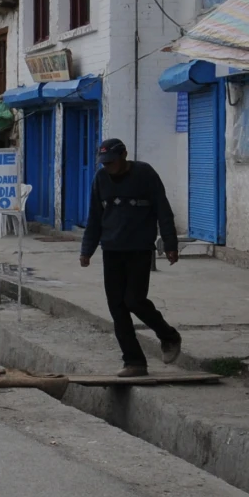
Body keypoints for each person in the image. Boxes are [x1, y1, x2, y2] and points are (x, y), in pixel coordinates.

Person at [78, 137, 181, 376]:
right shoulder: (101, 179)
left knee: (134, 300)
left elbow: (163, 210)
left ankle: (169, 336)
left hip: (139, 248)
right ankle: (134, 361)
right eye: (104, 163)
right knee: (117, 307)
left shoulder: (145, 174)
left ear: (124, 155)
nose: (108, 167)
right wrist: (87, 249)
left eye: (112, 162)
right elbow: (95, 217)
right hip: (111, 250)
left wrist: (170, 243)